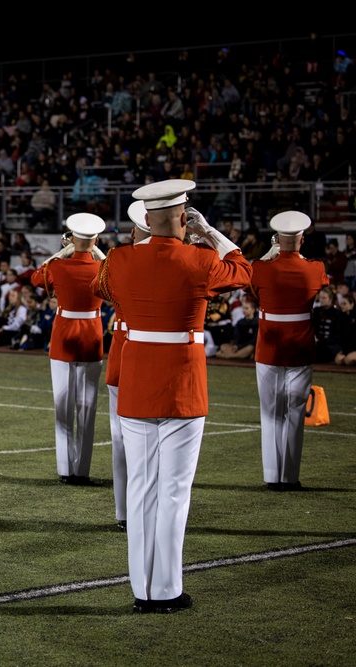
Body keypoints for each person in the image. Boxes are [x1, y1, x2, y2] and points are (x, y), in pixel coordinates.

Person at [93, 178, 252, 613]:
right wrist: (211, 234)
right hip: (182, 387)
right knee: (174, 492)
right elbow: (243, 270)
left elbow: (100, 290)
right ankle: (165, 590)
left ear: (145, 220)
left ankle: (142, 590)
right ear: (184, 218)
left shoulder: (120, 260)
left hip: (137, 385)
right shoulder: (200, 259)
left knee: (141, 489)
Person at [249, 211, 329, 491]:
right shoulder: (314, 267)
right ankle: (290, 477)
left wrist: (270, 255)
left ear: (277, 240)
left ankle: (273, 476)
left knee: (271, 413)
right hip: (300, 346)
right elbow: (322, 283)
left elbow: (251, 282)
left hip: (270, 347)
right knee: (294, 413)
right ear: (302, 239)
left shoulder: (262, 268)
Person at [30, 213, 107, 486]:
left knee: (63, 406)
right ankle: (82, 469)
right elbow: (115, 273)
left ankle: (65, 469)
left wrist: (63, 252)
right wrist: (94, 250)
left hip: (63, 337)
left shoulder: (59, 267)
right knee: (87, 407)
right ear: (96, 239)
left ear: (71, 239)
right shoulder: (102, 268)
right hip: (91, 338)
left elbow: (36, 278)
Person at [104, 200, 150, 531]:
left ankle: (124, 512)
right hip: (161, 357)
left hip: (124, 350)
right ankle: (145, 513)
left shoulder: (120, 259)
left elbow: (98, 286)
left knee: (121, 440)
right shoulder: (187, 258)